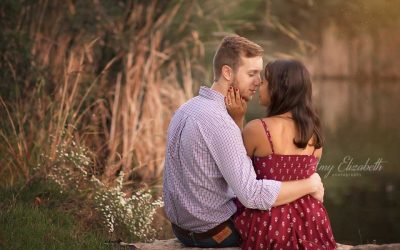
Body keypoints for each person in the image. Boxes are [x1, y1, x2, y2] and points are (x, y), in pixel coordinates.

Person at [162, 36, 325, 248]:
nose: (258, 81)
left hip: (182, 228)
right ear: (227, 72)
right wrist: (310, 183)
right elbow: (252, 196)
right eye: (252, 74)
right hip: (214, 233)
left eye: (260, 74)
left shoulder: (187, 108)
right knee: (278, 221)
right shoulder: (221, 123)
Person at [228, 59, 336, 249]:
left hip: (269, 222)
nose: (259, 86)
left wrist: (237, 120)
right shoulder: (314, 132)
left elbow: (236, 168)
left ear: (280, 88)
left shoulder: (257, 129)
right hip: (311, 221)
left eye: (264, 82)